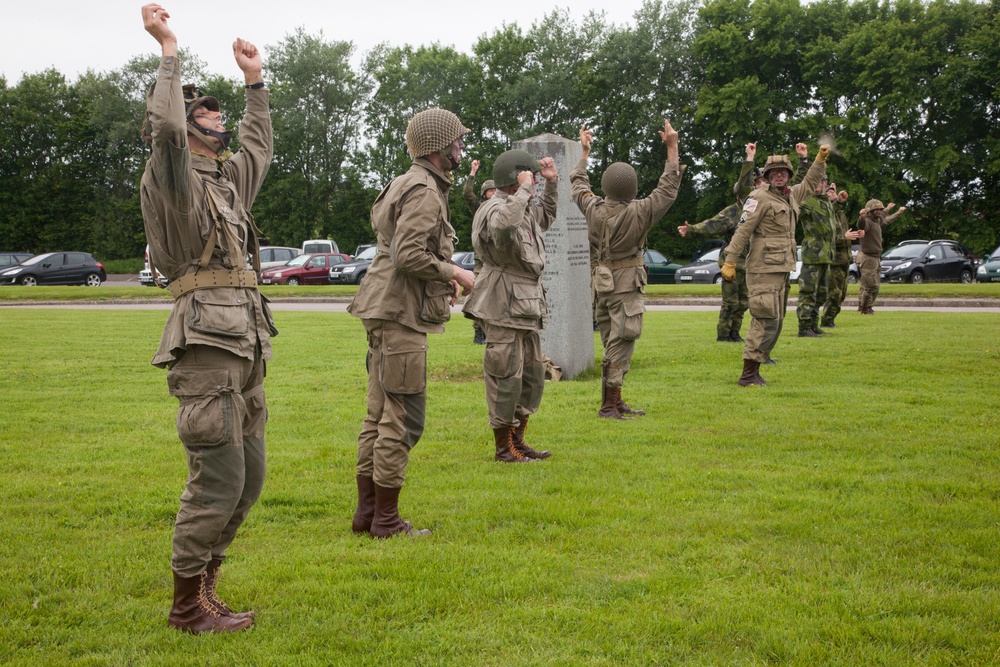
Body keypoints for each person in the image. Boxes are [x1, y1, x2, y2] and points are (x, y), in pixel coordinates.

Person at [140, 4, 274, 634]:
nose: (221, 121)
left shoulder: (224, 180)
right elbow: (163, 130)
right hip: (206, 341)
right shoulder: (174, 177)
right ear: (190, 126)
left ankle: (207, 590)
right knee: (216, 480)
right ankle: (185, 606)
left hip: (245, 342)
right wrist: (169, 51)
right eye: (209, 113)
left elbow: (258, 148)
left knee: (248, 481)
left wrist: (255, 84)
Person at [348, 109, 477, 535]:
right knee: (403, 417)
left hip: (385, 306)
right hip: (399, 313)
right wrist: (454, 272)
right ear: (439, 149)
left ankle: (368, 514)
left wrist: (440, 276)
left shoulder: (407, 181)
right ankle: (385, 519)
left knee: (379, 414)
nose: (461, 149)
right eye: (456, 143)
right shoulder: (425, 190)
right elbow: (408, 255)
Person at [572, 120, 684, 419]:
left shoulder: (592, 207)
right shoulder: (641, 211)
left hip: (601, 283)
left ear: (607, 185)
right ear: (632, 187)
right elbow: (668, 189)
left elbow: (578, 184)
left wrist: (584, 153)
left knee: (612, 340)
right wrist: (672, 147)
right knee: (622, 342)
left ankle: (615, 399)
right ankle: (609, 405)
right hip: (625, 284)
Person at [463, 149, 558, 461]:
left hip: (526, 302)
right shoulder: (493, 207)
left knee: (531, 376)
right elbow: (503, 228)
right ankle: (504, 448)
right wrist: (527, 190)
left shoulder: (523, 207)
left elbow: (546, 216)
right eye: (527, 177)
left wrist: (552, 183)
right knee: (506, 375)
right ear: (515, 179)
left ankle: (518, 440)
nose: (532, 184)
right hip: (502, 301)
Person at [722, 144, 830, 386]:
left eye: (783, 172)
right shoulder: (758, 198)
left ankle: (756, 369)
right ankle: (748, 374)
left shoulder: (791, 195)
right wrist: (730, 260)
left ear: (789, 176)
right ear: (768, 177)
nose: (779, 175)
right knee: (764, 318)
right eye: (774, 172)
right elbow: (742, 231)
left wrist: (819, 160)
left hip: (781, 268)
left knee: (776, 320)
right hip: (762, 269)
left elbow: (811, 182)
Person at [677, 142, 756, 343]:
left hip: (749, 265)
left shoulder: (757, 209)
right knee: (730, 302)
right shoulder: (733, 211)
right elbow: (711, 225)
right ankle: (723, 335)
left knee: (744, 303)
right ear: (739, 194)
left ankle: (734, 333)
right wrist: (692, 229)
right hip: (732, 264)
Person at [795, 177, 837, 337]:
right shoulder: (807, 202)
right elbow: (795, 210)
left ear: (825, 183)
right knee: (808, 292)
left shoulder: (825, 202)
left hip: (826, 255)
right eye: (813, 183)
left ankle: (813, 324)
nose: (816, 186)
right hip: (812, 254)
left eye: (819, 182)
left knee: (822, 293)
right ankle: (804, 326)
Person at [461, 159, 496, 345]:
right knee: (477, 294)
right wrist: (472, 172)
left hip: (498, 259)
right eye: (490, 191)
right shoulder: (480, 208)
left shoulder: (503, 207)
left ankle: (493, 329)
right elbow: (466, 193)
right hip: (482, 260)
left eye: (496, 190)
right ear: (484, 194)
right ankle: (478, 331)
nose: (494, 193)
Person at [820, 184, 861, 327]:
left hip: (844, 259)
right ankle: (827, 320)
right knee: (834, 293)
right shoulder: (825, 213)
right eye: (828, 192)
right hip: (833, 260)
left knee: (842, 293)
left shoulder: (840, 214)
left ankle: (831, 319)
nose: (831, 193)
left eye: (833, 191)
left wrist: (854, 235)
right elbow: (826, 238)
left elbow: (844, 233)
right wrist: (844, 237)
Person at [856, 199, 906, 314]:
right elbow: (861, 225)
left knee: (867, 285)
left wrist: (894, 211)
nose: (879, 211)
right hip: (868, 258)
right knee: (871, 286)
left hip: (876, 258)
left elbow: (885, 217)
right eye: (876, 210)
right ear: (870, 211)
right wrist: (861, 217)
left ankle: (864, 307)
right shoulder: (868, 221)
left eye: (880, 209)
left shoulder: (877, 221)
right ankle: (865, 308)